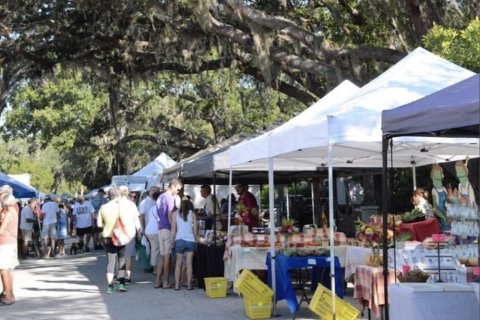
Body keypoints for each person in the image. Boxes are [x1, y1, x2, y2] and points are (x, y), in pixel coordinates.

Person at [97, 186, 142, 293]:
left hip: (107, 236)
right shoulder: (122, 206)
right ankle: (122, 284)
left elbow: (99, 224)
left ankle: (110, 286)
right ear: (118, 195)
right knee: (122, 259)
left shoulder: (103, 207)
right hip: (120, 236)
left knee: (110, 261)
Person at [155, 178, 182, 289]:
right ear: (173, 186)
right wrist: (173, 229)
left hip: (160, 228)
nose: (178, 191)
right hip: (167, 229)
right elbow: (170, 214)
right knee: (167, 257)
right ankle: (165, 282)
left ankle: (157, 281)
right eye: (178, 189)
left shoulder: (160, 197)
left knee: (162, 256)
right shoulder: (170, 197)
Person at [171, 197, 198, 291]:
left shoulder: (175, 214)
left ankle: (177, 285)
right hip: (190, 240)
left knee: (178, 263)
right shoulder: (193, 214)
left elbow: (173, 229)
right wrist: (195, 238)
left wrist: (172, 240)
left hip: (179, 240)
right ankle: (189, 285)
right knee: (189, 263)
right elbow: (195, 229)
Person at [0, 185, 19, 305]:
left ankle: (8, 296)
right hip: (10, 242)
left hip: (5, 243)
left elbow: (1, 231)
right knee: (9, 270)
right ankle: (10, 294)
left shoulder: (8, 214)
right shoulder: (13, 211)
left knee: (4, 270)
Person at [140, 187, 161, 275]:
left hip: (154, 229)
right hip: (150, 229)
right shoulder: (144, 202)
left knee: (153, 249)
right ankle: (154, 268)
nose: (154, 192)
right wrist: (142, 228)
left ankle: (155, 266)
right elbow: (141, 216)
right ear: (149, 192)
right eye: (153, 190)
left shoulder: (157, 202)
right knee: (153, 249)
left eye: (156, 191)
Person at [430, 164, 449, 231]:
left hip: (448, 215)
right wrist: (443, 217)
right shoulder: (434, 190)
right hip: (441, 217)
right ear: (432, 177)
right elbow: (435, 209)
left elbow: (448, 202)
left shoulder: (444, 189)